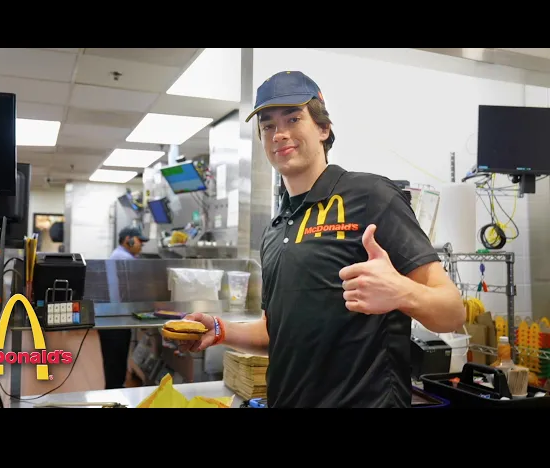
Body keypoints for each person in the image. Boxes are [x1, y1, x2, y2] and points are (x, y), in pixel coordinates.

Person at [177, 71, 465, 408]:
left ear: (323, 128)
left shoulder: (371, 196)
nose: (279, 133)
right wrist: (219, 329)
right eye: (268, 126)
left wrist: (401, 292)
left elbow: (452, 312)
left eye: (293, 118)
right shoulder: (275, 230)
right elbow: (276, 333)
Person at [100, 226, 149, 389]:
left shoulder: (119, 255)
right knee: (115, 359)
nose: (141, 245)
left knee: (115, 359)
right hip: (115, 317)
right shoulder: (123, 257)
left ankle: (115, 388)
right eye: (139, 241)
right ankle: (114, 391)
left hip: (115, 315)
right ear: (128, 239)